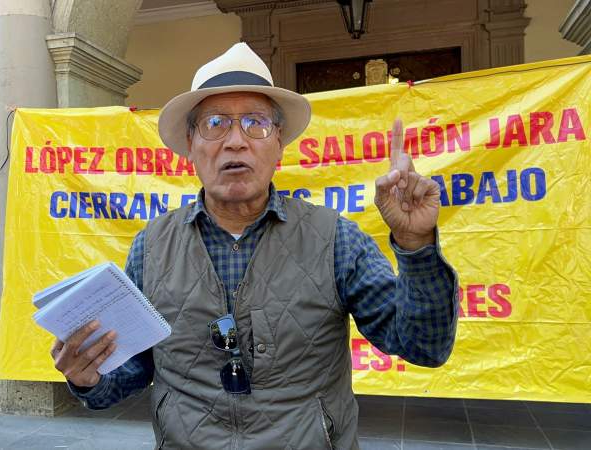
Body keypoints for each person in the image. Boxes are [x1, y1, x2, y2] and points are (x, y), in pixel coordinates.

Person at [51, 43, 458, 449]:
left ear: (278, 143)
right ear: (190, 144)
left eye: (255, 123)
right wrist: (88, 379)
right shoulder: (152, 247)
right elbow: (133, 370)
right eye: (214, 124)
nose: (235, 142)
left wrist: (415, 242)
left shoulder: (335, 238)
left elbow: (424, 345)